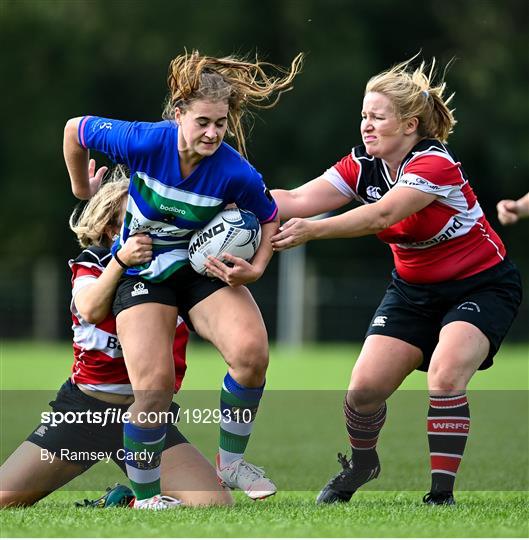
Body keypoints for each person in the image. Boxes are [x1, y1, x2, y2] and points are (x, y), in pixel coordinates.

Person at [267, 57, 522, 505]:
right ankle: (363, 465)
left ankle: (440, 495)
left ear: (409, 124)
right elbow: (295, 199)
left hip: (481, 285)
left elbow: (383, 213)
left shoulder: (434, 163)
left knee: (444, 376)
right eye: (363, 115)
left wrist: (315, 230)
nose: (366, 125)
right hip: (411, 292)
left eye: (377, 117)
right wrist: (225, 195)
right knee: (362, 391)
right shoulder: (361, 166)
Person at [63, 50, 304, 507]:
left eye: (220, 122)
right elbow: (75, 128)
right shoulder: (144, 142)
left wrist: (256, 267)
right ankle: (147, 498)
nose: (213, 132)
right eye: (202, 122)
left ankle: (230, 464)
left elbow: (269, 216)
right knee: (153, 390)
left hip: (198, 268)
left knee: (251, 354)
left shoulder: (235, 171)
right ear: (179, 116)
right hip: (144, 269)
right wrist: (81, 189)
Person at [0, 165, 232, 509]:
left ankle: (124, 501)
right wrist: (121, 260)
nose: (151, 227)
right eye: (135, 218)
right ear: (111, 229)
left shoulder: (177, 270)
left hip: (149, 421)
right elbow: (90, 308)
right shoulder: (93, 261)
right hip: (85, 415)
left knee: (214, 504)